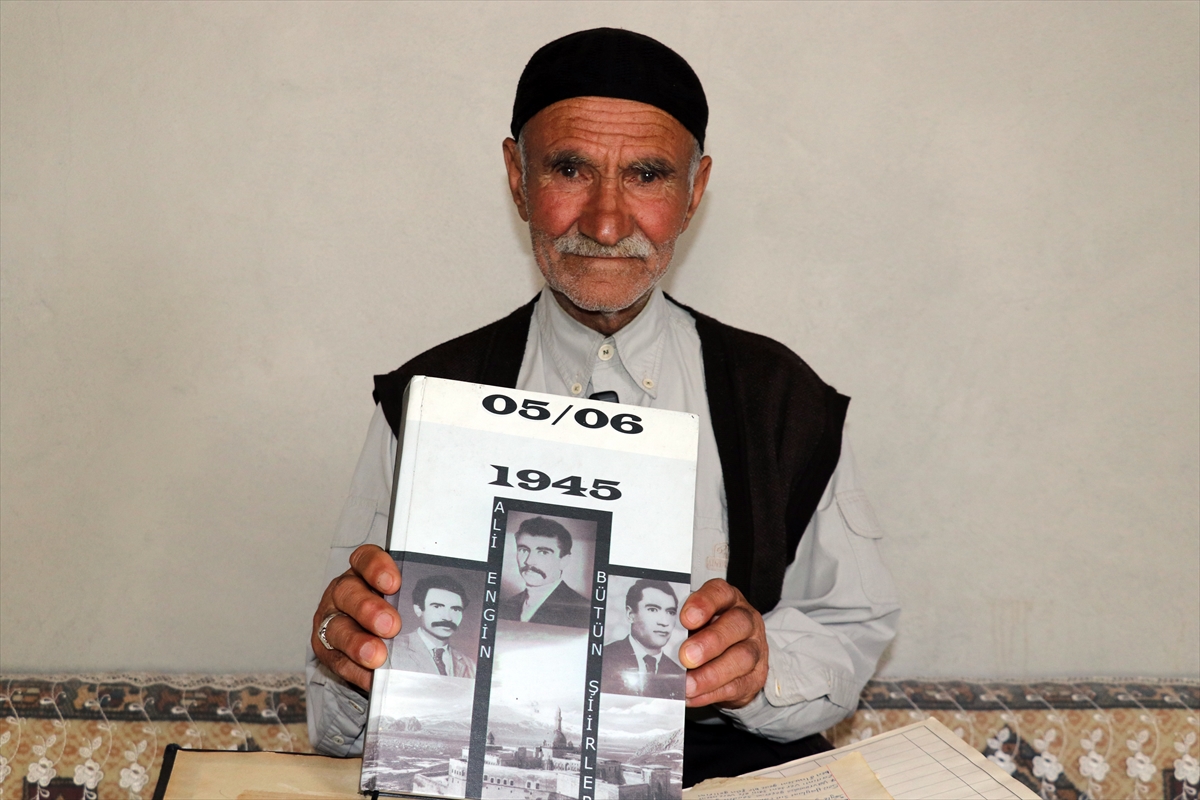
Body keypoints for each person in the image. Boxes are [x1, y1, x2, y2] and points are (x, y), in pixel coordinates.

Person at [307, 27, 900, 784]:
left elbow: (849, 624)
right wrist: (348, 656)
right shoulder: (428, 399)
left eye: (647, 174)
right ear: (518, 178)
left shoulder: (782, 400)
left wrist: (761, 667)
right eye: (570, 169)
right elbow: (335, 712)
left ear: (695, 190)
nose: (607, 222)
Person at [497, 516, 590, 628]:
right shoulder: (506, 604)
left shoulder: (583, 610)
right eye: (523, 550)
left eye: (543, 552)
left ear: (564, 561)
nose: (529, 561)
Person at [601, 579, 685, 700]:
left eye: (670, 612)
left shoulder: (679, 675)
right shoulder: (604, 658)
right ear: (630, 615)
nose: (664, 622)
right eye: (653, 610)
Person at [387, 575, 476, 678]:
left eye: (456, 609)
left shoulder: (469, 665)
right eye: (437, 607)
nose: (448, 618)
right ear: (418, 609)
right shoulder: (390, 650)